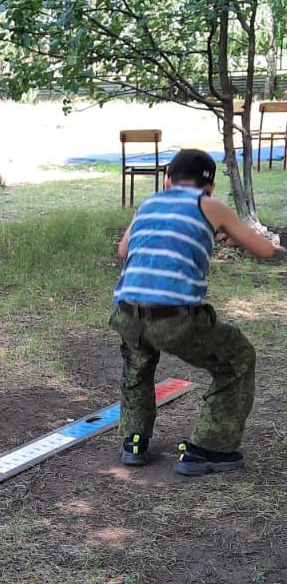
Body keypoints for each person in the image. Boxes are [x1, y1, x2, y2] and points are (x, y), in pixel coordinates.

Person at [109, 147, 287, 476]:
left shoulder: (148, 204)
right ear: (210, 187)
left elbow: (124, 250)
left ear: (166, 181)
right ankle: (208, 449)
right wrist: (241, 237)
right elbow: (262, 249)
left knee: (137, 367)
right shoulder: (210, 206)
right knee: (238, 359)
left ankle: (134, 442)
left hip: (127, 311)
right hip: (174, 317)